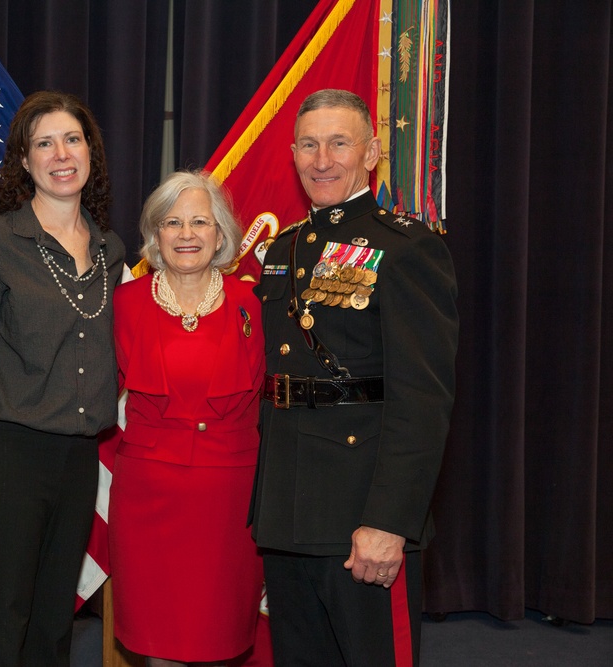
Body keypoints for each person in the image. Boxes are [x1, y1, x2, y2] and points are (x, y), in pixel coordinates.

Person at [250, 88, 459, 666]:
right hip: (288, 515)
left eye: (339, 143)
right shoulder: (284, 251)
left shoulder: (407, 247)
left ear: (370, 154)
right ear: (292, 154)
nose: (322, 160)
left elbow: (423, 401)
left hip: (360, 515)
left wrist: (390, 522)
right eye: (310, 145)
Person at [0, 90, 126, 667]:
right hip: (4, 457)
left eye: (72, 139)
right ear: (23, 160)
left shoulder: (112, 251)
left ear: (90, 153)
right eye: (44, 143)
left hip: (75, 462)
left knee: (51, 629)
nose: (60, 153)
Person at [108, 171, 265, 666]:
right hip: (147, 499)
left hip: (228, 501)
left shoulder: (252, 304)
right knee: (158, 643)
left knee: (219, 639)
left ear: (221, 234)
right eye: (172, 223)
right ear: (156, 236)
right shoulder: (124, 303)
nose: (187, 234)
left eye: (200, 221)